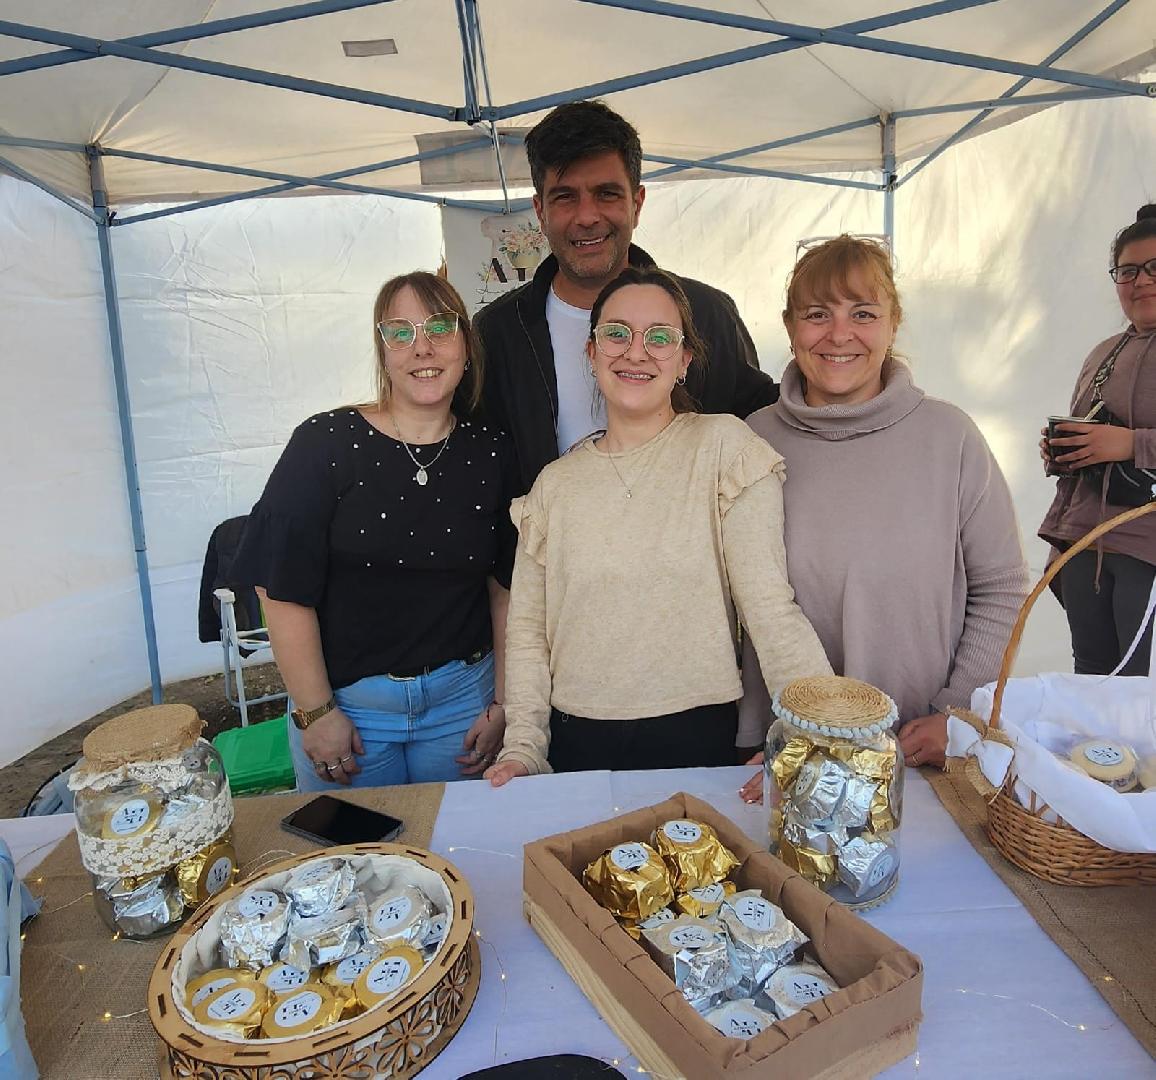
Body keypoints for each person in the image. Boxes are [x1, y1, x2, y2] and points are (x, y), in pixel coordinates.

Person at [484, 267, 831, 786]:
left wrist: (816, 735)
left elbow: (770, 609)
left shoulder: (724, 450)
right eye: (617, 333)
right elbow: (530, 637)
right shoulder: (553, 487)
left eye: (660, 337)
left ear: (684, 360)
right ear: (592, 351)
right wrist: (524, 748)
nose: (636, 352)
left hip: (696, 739)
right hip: (576, 742)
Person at [737, 236, 1028, 797]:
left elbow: (1003, 589)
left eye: (863, 314)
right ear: (790, 326)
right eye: (817, 314)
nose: (839, 335)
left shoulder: (950, 437)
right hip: (783, 751)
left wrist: (959, 714)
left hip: (917, 753)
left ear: (894, 323)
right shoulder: (751, 442)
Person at [230, 272, 519, 789]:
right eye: (400, 333)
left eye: (439, 328)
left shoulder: (491, 449)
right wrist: (315, 714)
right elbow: (280, 589)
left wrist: (503, 701)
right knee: (353, 864)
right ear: (383, 352)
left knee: (459, 857)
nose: (421, 348)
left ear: (466, 346)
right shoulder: (325, 444)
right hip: (351, 716)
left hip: (463, 712)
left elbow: (503, 588)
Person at [475, 99, 777, 493]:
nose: (587, 216)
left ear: (637, 203)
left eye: (606, 194)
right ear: (540, 210)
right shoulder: (498, 333)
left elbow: (761, 430)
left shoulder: (706, 313)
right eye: (565, 196)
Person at [1039, 204, 1156, 675]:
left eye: (1154, 268)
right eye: (1128, 271)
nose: (1141, 281)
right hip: (1083, 536)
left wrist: (1131, 445)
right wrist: (1063, 451)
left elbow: (1119, 442)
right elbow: (1088, 427)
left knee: (1132, 679)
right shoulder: (1104, 352)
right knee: (1089, 670)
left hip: (1145, 542)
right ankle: (1090, 754)